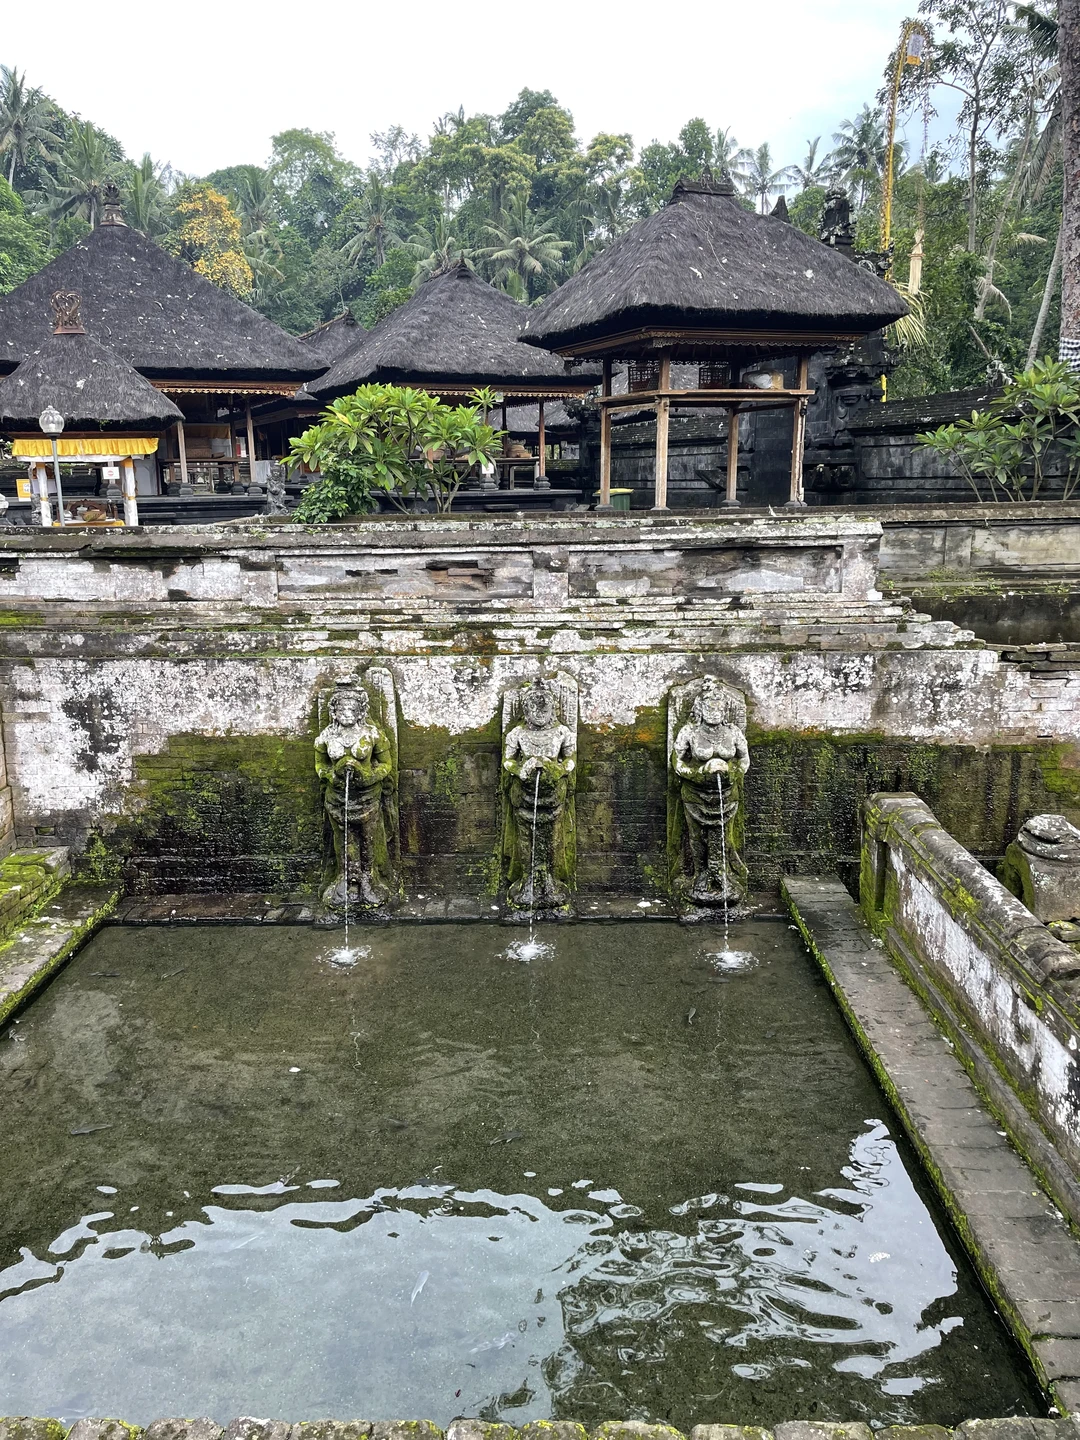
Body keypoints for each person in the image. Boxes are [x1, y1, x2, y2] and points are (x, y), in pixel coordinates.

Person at [314, 685, 394, 909]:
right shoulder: (326, 737)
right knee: (342, 838)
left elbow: (386, 764)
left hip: (367, 796)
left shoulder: (372, 735)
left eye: (351, 709)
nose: (346, 714)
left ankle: (369, 879)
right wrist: (329, 776)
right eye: (341, 710)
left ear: (360, 711)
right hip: (338, 797)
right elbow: (320, 765)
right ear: (334, 712)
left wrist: (370, 777)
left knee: (368, 838)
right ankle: (346, 877)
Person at [672, 679, 750, 905]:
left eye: (719, 708)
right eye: (709, 707)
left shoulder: (733, 732)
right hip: (695, 794)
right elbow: (676, 760)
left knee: (724, 836)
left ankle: (721, 875)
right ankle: (700, 874)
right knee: (697, 837)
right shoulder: (689, 732)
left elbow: (744, 760)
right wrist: (696, 774)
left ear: (725, 710)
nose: (714, 712)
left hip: (726, 794)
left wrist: (733, 773)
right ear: (700, 709)